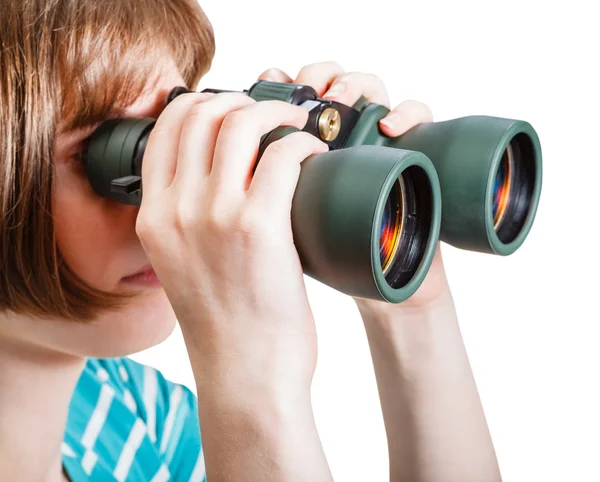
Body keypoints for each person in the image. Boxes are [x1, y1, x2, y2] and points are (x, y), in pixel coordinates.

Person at [0, 0, 502, 481]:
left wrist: (410, 304)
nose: (172, 193)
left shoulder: (141, 421)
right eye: (110, 150)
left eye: (173, 125)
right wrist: (250, 385)